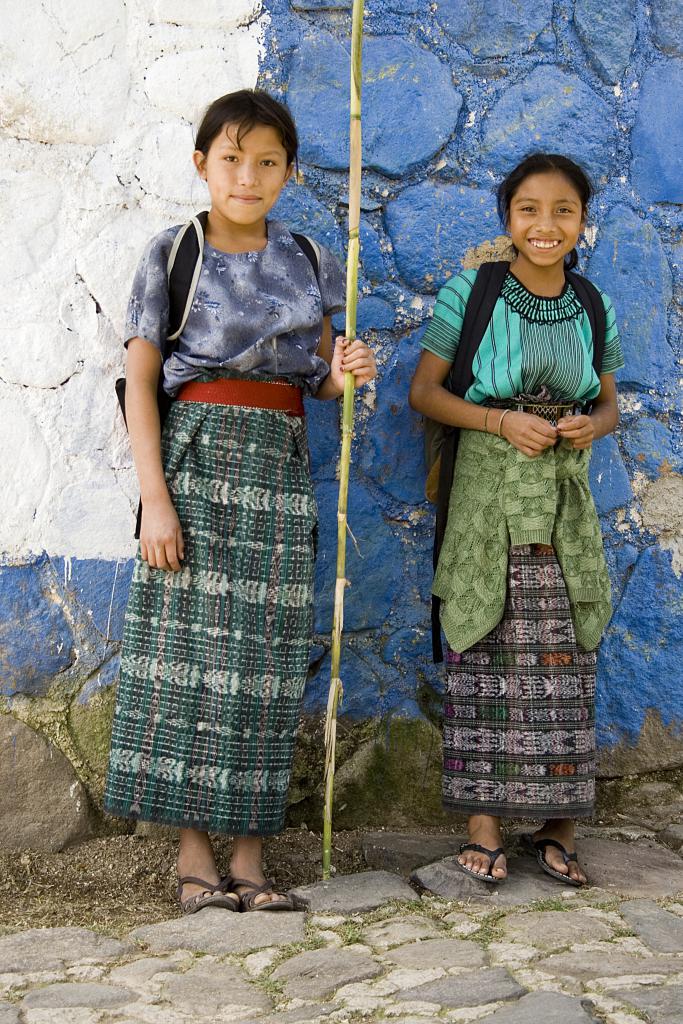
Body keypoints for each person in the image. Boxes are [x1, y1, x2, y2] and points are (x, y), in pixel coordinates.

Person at [104, 89, 376, 914]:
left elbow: (318, 384)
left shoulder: (308, 259)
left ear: (289, 173)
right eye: (232, 159)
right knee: (186, 668)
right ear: (202, 165)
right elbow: (141, 382)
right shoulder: (173, 254)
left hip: (277, 472)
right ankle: (193, 860)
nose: (247, 176)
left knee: (265, 665)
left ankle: (251, 862)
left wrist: (344, 373)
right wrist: (156, 499)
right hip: (192, 465)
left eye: (267, 162)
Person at [409, 153, 624, 886]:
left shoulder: (591, 304)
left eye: (562, 210)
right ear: (507, 219)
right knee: (487, 634)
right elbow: (424, 393)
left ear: (581, 223)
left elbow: (609, 404)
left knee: (565, 643)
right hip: (487, 490)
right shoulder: (473, 292)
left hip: (563, 496)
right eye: (528, 209)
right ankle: (483, 824)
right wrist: (500, 423)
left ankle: (559, 822)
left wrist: (591, 427)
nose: (545, 225)